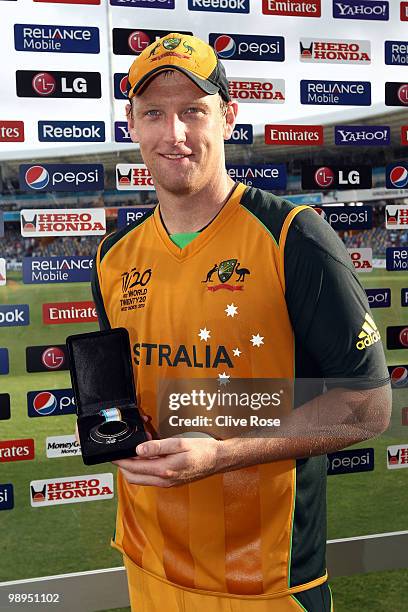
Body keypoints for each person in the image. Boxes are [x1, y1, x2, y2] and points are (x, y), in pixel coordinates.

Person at [91, 33, 391, 612]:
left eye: (193, 112)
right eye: (154, 112)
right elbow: (127, 397)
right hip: (147, 564)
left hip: (266, 581)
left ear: (228, 117)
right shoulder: (113, 255)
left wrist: (224, 454)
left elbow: (369, 407)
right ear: (131, 124)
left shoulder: (293, 237)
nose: (173, 134)